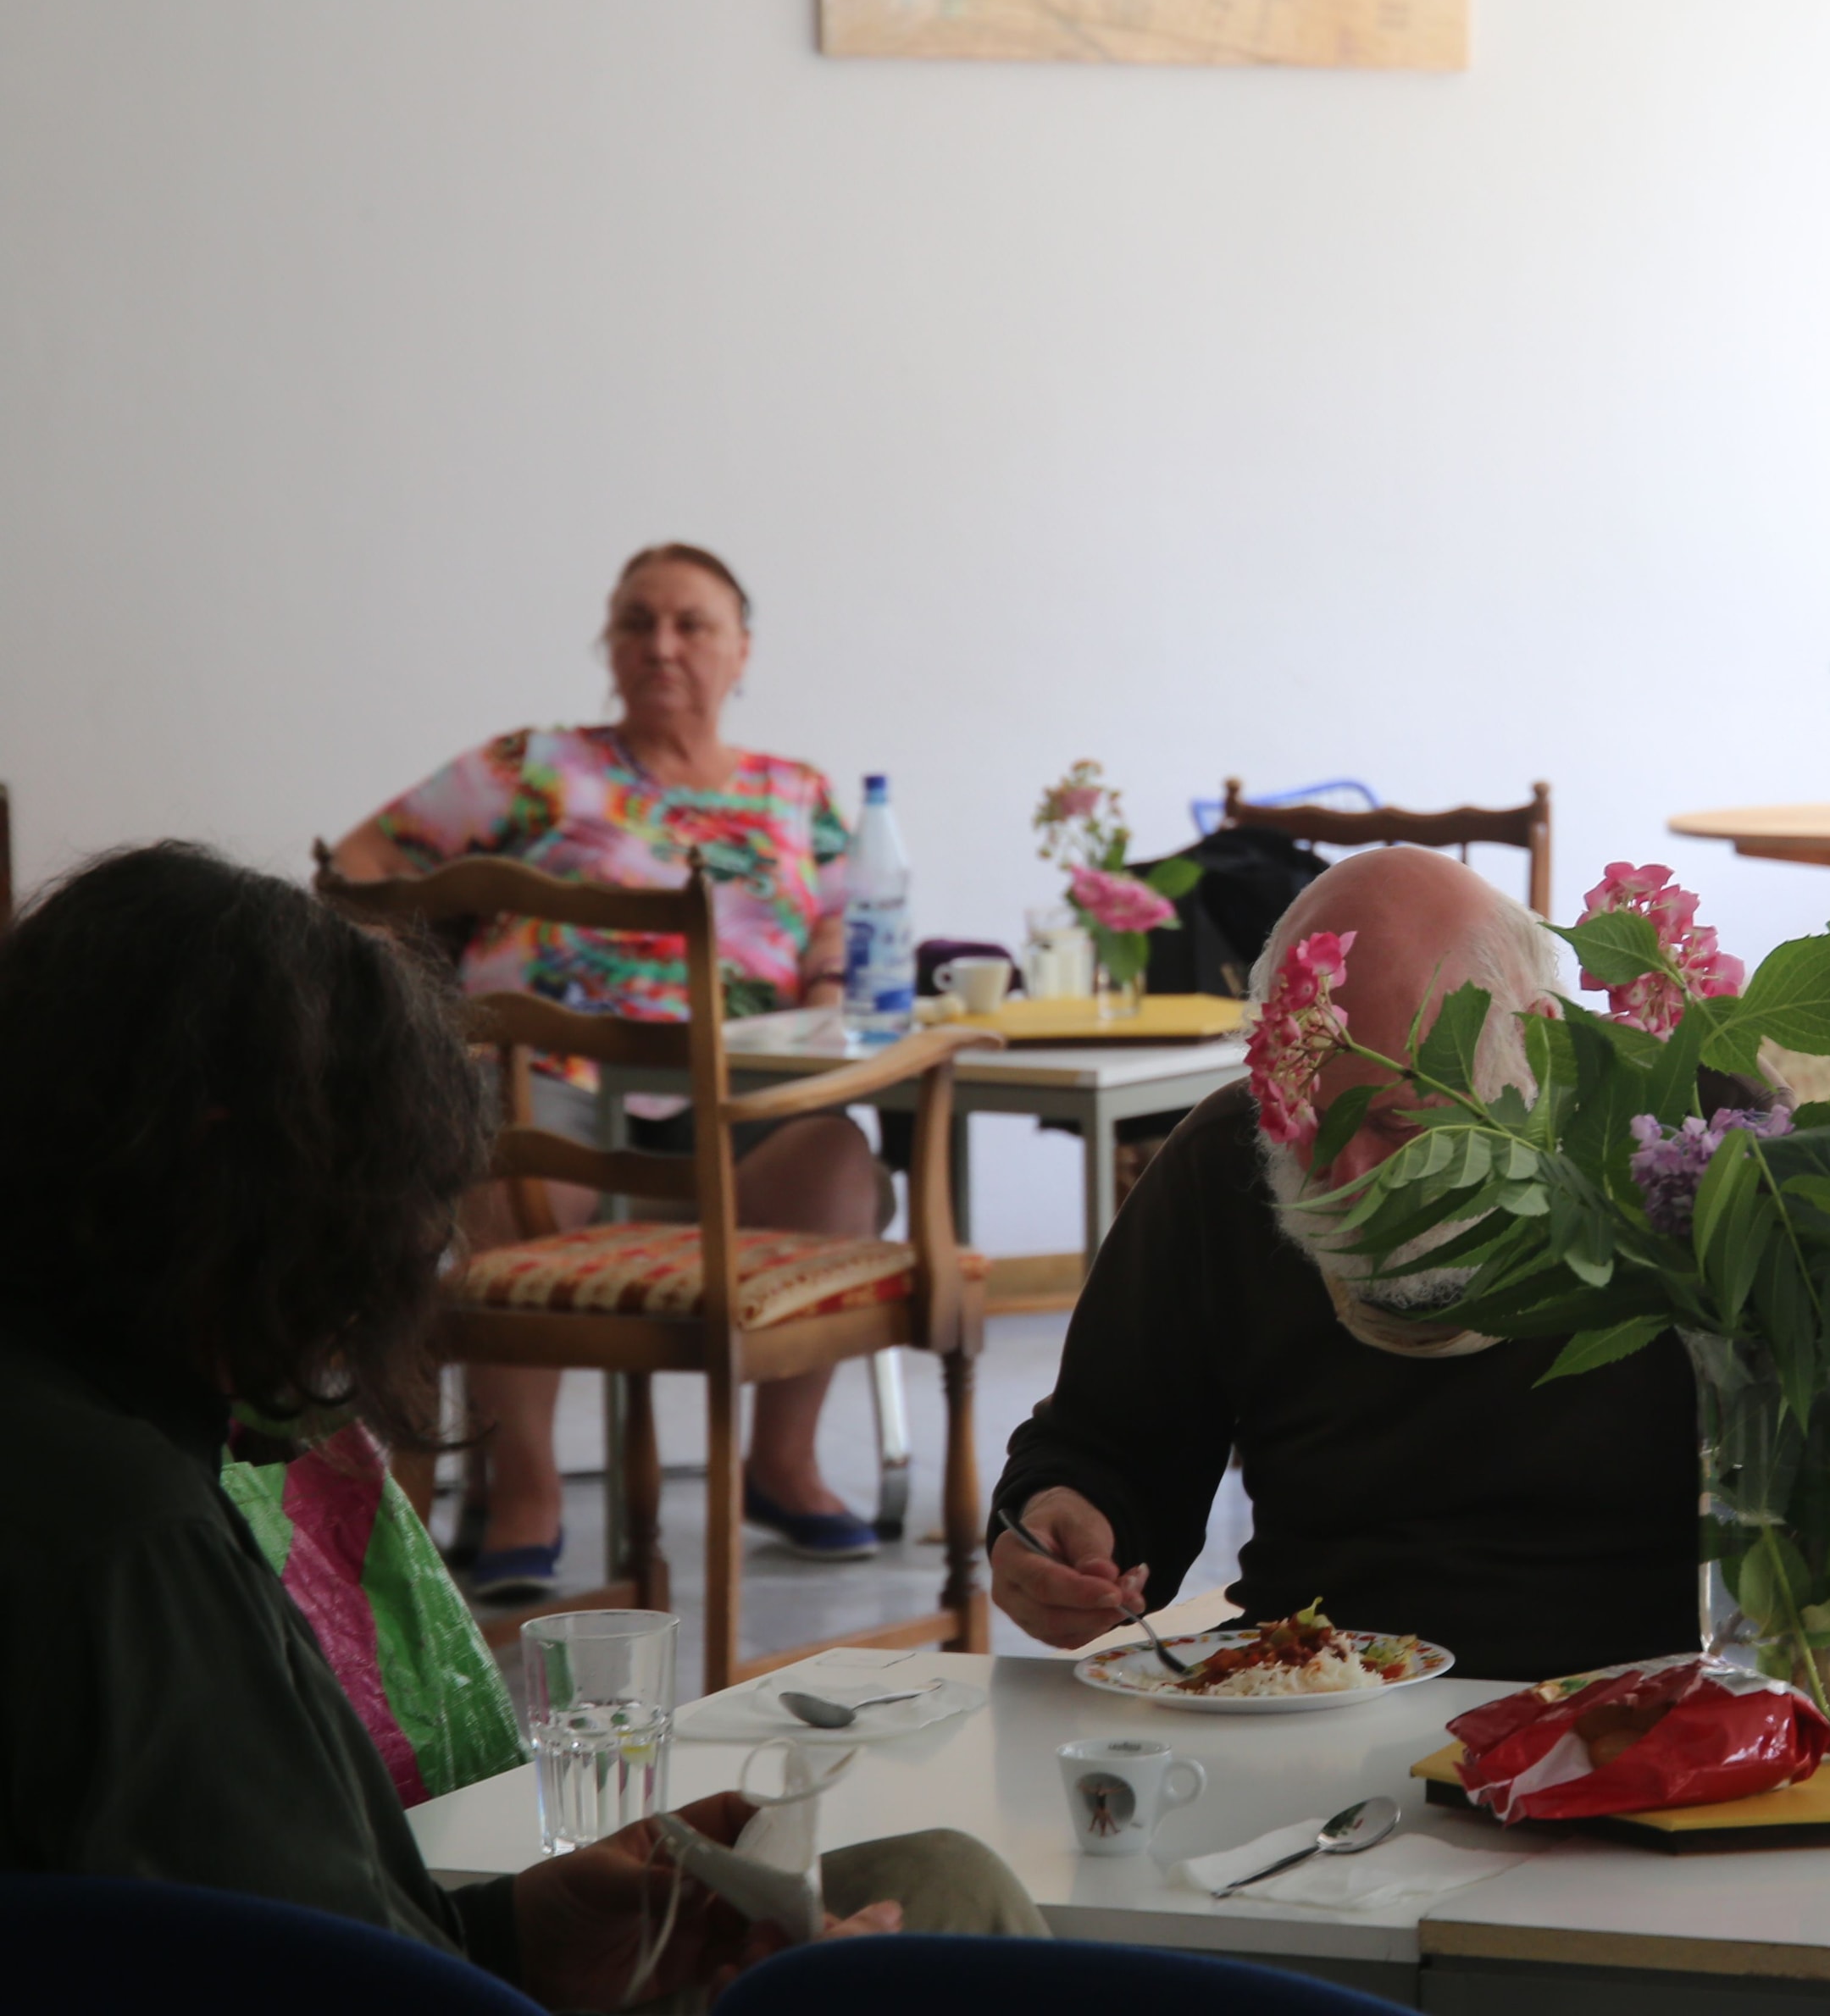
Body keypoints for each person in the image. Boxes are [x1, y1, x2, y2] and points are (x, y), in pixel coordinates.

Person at [0, 845, 1041, 2007]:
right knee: (939, 1927)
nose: (401, 1259)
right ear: (229, 1166)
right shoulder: (130, 1540)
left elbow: (285, 1939)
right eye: (384, 1197)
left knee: (930, 1872)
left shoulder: (73, 1431)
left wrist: (510, 1937)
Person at [986, 846, 1700, 1680]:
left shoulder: (1695, 1159)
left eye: (1396, 1125)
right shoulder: (1228, 1158)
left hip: (1639, 1709)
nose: (1346, 1170)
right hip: (1313, 1694)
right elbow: (1105, 1444)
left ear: (1534, 1046)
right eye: (1309, 1112)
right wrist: (1061, 1519)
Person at [329, 542, 889, 1594]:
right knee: (503, 1171)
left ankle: (783, 1463)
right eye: (636, 622)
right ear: (608, 644)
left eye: (691, 623)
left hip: (739, 1091)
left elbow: (845, 923)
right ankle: (525, 1485)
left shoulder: (796, 791)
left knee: (838, 1159)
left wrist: (822, 991)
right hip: (560, 1078)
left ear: (742, 651)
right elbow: (360, 864)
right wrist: (424, 993)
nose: (661, 644)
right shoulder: (538, 766)